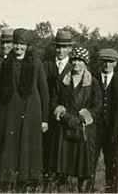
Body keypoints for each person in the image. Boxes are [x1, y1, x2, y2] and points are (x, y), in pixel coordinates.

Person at [0, 28, 49, 192]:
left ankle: (25, 182)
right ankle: (8, 181)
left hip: (30, 112)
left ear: (27, 46)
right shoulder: (5, 62)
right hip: (9, 113)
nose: (18, 47)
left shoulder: (36, 63)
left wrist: (44, 119)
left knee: (26, 145)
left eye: (22, 44)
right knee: (10, 147)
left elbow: (44, 92)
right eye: (16, 44)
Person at [49, 47, 102, 192]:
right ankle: (60, 187)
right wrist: (63, 114)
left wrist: (83, 117)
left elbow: (97, 105)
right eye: (75, 60)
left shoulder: (93, 83)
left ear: (86, 63)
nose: (77, 63)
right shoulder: (62, 80)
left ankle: (81, 188)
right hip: (64, 125)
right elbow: (54, 100)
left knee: (82, 164)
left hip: (82, 128)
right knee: (62, 162)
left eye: (80, 60)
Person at [88, 48, 118, 192]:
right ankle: (87, 190)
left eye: (110, 62)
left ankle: (111, 191)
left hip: (113, 132)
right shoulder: (92, 78)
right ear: (100, 62)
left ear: (116, 63)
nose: (107, 65)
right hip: (94, 130)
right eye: (104, 61)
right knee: (90, 163)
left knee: (112, 164)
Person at [42, 29, 74, 191]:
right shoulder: (46, 65)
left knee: (63, 148)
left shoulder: (73, 67)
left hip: (66, 116)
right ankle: (46, 178)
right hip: (47, 114)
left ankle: (61, 179)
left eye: (64, 47)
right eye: (58, 47)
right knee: (47, 145)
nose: (60, 50)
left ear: (70, 49)